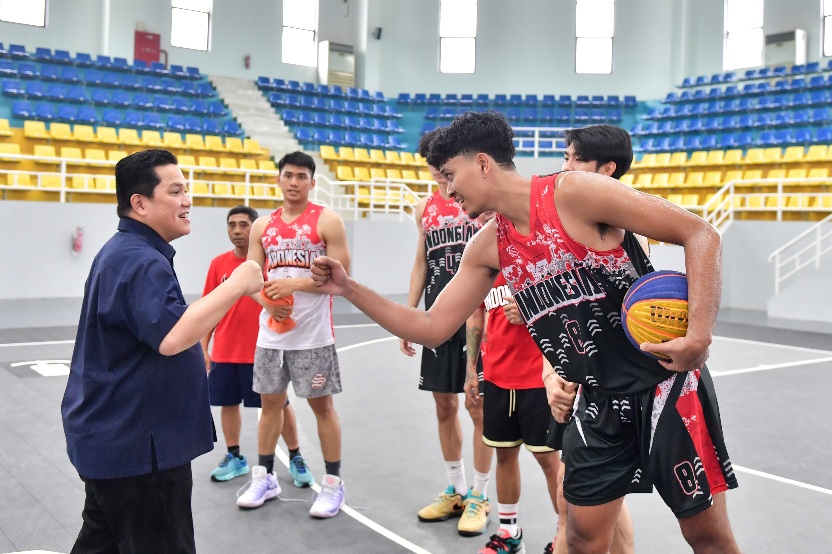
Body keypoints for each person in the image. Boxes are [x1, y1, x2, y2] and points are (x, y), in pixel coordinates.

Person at [311, 111, 742, 554]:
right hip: (596, 402)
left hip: (665, 386)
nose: (447, 190)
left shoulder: (572, 192)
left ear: (482, 163)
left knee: (706, 537)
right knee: (581, 538)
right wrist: (346, 287)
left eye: (451, 175)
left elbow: (701, 233)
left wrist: (699, 337)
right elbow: (432, 328)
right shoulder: (488, 245)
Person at [61, 149, 263, 553]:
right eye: (175, 191)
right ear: (140, 203)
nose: (187, 200)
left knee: (103, 543)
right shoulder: (139, 261)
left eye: (186, 189)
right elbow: (172, 335)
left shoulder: (125, 253)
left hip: (114, 440)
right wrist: (239, 282)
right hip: (139, 449)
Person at [235, 151, 352, 519]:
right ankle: (264, 476)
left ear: (312, 182)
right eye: (288, 175)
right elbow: (250, 276)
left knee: (322, 407)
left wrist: (296, 283)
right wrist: (266, 304)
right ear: (278, 179)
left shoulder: (327, 221)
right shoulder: (262, 226)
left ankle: (333, 484)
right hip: (271, 336)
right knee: (270, 406)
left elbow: (342, 277)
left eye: (302, 176)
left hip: (313, 337)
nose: (294, 182)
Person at [402, 129, 494, 537]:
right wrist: (408, 313)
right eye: (431, 162)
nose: (438, 169)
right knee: (444, 405)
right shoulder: (425, 208)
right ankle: (454, 488)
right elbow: (421, 263)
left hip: (480, 317)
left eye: (444, 161)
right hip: (438, 317)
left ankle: (479, 493)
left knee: (478, 407)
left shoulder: (479, 201)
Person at [466, 210, 563, 554]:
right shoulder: (482, 257)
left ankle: (562, 537)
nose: (484, 219)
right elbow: (476, 313)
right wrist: (470, 370)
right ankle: (509, 534)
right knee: (505, 455)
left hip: (538, 377)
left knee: (550, 461)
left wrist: (531, 310)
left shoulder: (537, 249)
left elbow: (566, 306)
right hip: (496, 375)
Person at [201, 205, 313, 488]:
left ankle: (296, 456)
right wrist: (204, 347)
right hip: (226, 350)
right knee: (228, 404)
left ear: (256, 229)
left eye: (243, 225)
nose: (237, 231)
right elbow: (208, 307)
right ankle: (234, 456)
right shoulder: (218, 264)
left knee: (279, 405)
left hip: (263, 348)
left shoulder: (268, 264)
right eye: (232, 225)